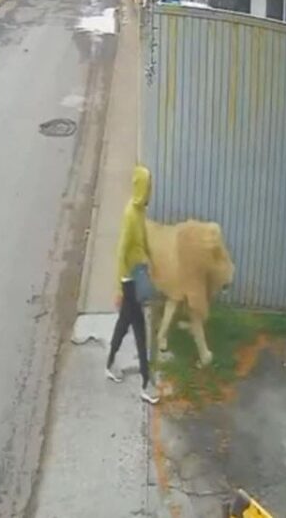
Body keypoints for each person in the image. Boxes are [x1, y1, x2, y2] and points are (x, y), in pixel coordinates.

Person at [106, 165, 160, 405]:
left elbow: (143, 240)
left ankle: (110, 363)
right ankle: (146, 383)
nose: (151, 192)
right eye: (148, 187)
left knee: (126, 323)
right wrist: (119, 288)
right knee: (139, 328)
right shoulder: (130, 214)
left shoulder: (139, 212)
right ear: (141, 188)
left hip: (136, 274)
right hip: (129, 281)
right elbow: (120, 252)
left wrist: (150, 259)